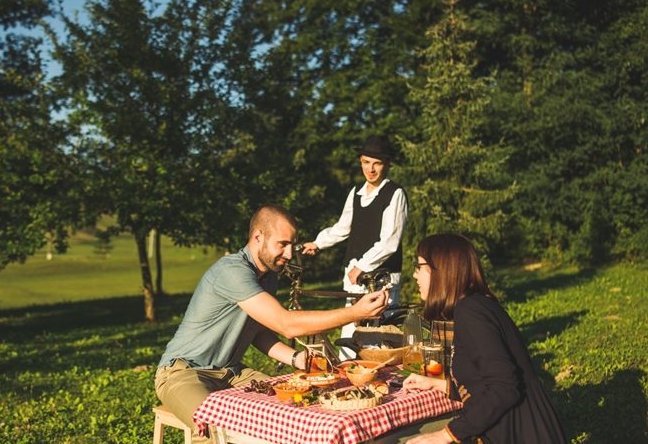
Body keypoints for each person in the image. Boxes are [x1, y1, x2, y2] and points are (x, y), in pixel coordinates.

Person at [154, 204, 389, 443]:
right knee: (213, 428)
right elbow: (285, 324)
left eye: (292, 245)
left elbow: (258, 332)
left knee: (284, 408)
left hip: (231, 373)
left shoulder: (268, 277)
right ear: (258, 237)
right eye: (282, 244)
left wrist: (297, 359)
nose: (289, 254)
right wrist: (355, 312)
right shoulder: (232, 271)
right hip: (184, 372)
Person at [402, 233, 567, 444]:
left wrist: (445, 435)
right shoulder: (474, 305)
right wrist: (439, 385)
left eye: (419, 267)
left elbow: (504, 387)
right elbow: (482, 379)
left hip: (523, 433)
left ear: (441, 270)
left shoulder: (471, 311)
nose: (415, 275)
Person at [301, 135, 408, 358]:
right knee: (350, 331)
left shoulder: (395, 194)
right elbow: (343, 227)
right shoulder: (356, 192)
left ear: (387, 164)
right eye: (366, 162)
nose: (371, 169)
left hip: (381, 276)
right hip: (353, 275)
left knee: (377, 336)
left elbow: (390, 242)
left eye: (377, 163)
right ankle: (347, 381)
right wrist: (318, 243)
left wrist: (363, 266)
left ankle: (379, 385)